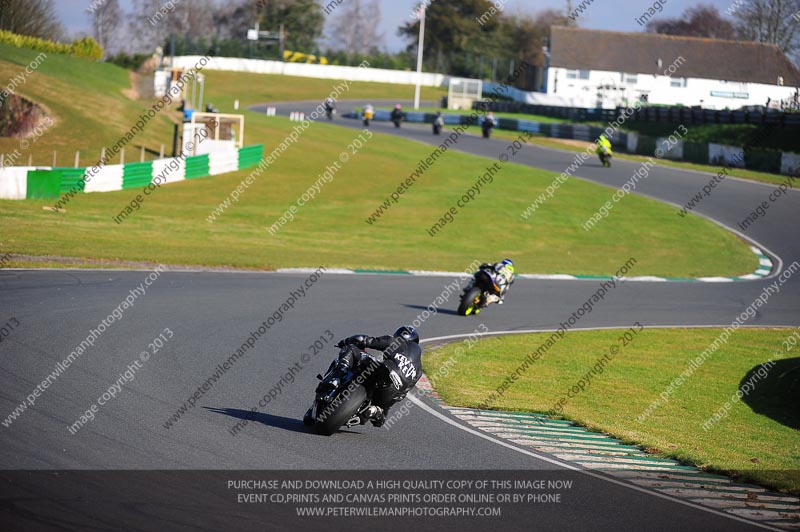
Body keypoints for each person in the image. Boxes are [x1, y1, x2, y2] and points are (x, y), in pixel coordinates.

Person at [321, 326, 422, 427]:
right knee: (381, 414)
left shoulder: (396, 341)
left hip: (385, 370)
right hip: (393, 389)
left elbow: (363, 340)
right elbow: (403, 394)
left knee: (351, 348)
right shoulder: (419, 370)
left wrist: (345, 342)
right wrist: (385, 408)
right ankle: (375, 410)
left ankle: (336, 378)